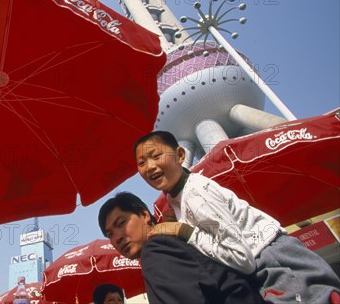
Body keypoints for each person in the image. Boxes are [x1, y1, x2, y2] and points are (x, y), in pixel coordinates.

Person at [134, 130, 340, 303]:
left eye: (156, 155)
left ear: (180, 155)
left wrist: (184, 231)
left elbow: (242, 259)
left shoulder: (197, 195)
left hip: (276, 264)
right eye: (141, 162)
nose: (149, 166)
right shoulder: (175, 198)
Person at [99, 191, 266, 304]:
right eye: (110, 235)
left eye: (121, 223)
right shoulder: (170, 242)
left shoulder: (155, 249)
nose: (117, 237)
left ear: (144, 215)